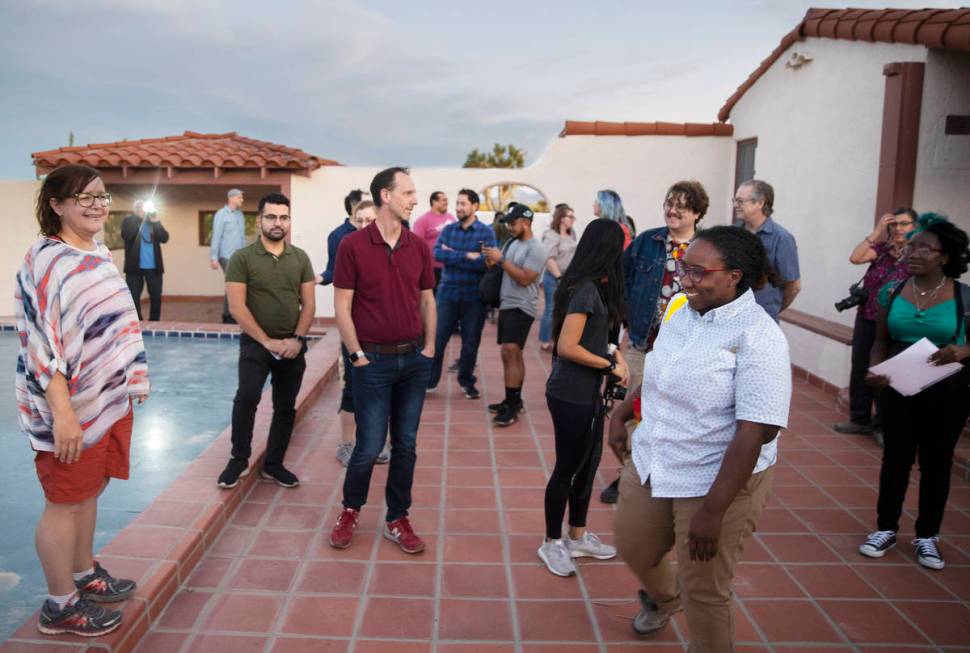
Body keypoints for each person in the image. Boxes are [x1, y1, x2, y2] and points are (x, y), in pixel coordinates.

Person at [610, 226, 791, 652]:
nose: (684, 280)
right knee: (633, 543)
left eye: (698, 272)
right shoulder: (679, 308)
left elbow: (756, 430)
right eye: (682, 268)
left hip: (718, 479)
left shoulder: (759, 337)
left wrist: (713, 511)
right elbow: (662, 370)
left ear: (734, 275)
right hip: (658, 457)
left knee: (705, 590)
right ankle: (666, 598)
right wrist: (622, 412)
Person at [16, 164, 149, 637]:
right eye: (83, 198)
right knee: (64, 501)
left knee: (89, 492)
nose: (96, 205)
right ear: (56, 205)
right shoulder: (46, 262)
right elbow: (40, 348)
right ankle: (59, 605)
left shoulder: (96, 252)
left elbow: (114, 324)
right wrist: (64, 415)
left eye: (101, 196)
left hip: (105, 400)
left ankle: (82, 573)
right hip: (68, 408)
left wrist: (127, 379)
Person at [330, 167, 436, 554]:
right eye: (408, 192)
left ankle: (398, 517)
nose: (414, 199)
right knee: (369, 445)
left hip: (413, 362)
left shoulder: (419, 247)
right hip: (371, 362)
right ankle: (350, 510)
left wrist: (429, 349)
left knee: (406, 444)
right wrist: (356, 354)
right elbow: (341, 304)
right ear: (385, 196)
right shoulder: (353, 246)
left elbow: (427, 299)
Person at [859, 213, 970, 571]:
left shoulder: (964, 297)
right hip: (899, 385)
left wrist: (963, 351)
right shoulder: (892, 291)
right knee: (895, 458)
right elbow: (879, 342)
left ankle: (927, 536)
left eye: (925, 248)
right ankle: (885, 528)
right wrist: (875, 370)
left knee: (937, 462)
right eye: (912, 246)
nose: (914, 253)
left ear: (945, 256)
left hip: (948, 388)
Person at [601, 180, 709, 504]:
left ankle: (670, 474)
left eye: (681, 205)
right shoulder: (647, 241)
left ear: (698, 212)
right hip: (641, 343)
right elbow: (622, 279)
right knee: (635, 409)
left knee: (679, 414)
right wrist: (622, 320)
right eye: (669, 203)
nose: (672, 210)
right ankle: (631, 476)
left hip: (688, 350)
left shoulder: (707, 247)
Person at [538, 219, 628, 577]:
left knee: (587, 467)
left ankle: (576, 537)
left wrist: (613, 355)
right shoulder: (585, 289)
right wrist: (608, 364)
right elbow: (567, 347)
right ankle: (550, 542)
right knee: (567, 469)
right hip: (570, 393)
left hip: (587, 392)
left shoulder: (595, 288)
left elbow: (594, 338)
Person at [216, 192, 316, 490]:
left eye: (283, 217)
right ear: (259, 220)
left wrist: (297, 339)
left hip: (292, 345)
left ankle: (274, 464)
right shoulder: (242, 258)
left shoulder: (299, 258)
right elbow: (237, 307)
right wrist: (266, 341)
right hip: (256, 344)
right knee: (247, 397)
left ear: (289, 221)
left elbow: (308, 304)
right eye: (271, 217)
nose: (277, 223)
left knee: (285, 407)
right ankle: (239, 459)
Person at [833, 208, 916, 435]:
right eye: (895, 224)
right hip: (868, 317)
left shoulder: (918, 255)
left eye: (905, 224)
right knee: (860, 366)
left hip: (897, 324)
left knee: (888, 371)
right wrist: (877, 231)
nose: (899, 228)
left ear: (915, 227)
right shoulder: (881, 250)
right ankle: (860, 419)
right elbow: (856, 257)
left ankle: (883, 425)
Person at [332, 201, 390, 466]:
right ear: (353, 221)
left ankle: (377, 443)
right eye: (360, 220)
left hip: (382, 335)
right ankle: (346, 445)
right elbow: (342, 301)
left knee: (382, 390)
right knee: (353, 390)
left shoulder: (388, 251)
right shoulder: (348, 249)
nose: (365, 225)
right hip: (354, 333)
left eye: (370, 219)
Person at [427, 188, 497, 398]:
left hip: (474, 298)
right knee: (438, 340)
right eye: (457, 203)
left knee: (470, 343)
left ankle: (466, 381)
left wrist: (454, 255)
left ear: (475, 206)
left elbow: (487, 263)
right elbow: (437, 253)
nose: (458, 207)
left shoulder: (486, 233)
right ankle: (430, 382)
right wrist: (468, 255)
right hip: (447, 294)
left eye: (463, 203)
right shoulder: (448, 230)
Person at [482, 203, 547, 426]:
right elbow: (504, 269)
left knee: (510, 351)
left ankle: (511, 407)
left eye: (513, 222)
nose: (509, 226)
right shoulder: (512, 243)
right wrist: (492, 260)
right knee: (512, 354)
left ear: (526, 222)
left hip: (522, 306)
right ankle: (513, 399)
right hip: (508, 304)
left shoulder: (536, 248)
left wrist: (501, 259)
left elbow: (525, 278)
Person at [734, 180, 800, 321]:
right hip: (732, 319)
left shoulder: (782, 239)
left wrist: (773, 310)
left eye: (740, 201)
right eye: (734, 200)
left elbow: (793, 286)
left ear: (760, 203)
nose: (735, 205)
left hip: (762, 321)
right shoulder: (733, 233)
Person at [121, 199, 170, 321]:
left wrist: (156, 221)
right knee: (133, 297)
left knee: (156, 296)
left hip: (154, 267)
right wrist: (140, 219)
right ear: (135, 209)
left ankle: (155, 322)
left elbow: (164, 238)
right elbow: (127, 234)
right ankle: (138, 322)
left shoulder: (153, 222)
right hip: (134, 267)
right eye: (139, 208)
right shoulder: (128, 221)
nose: (142, 210)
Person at [538, 204, 577, 351]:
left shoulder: (571, 234)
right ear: (561, 218)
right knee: (551, 309)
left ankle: (558, 338)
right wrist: (559, 277)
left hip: (569, 278)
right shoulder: (551, 235)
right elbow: (549, 259)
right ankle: (545, 339)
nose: (573, 219)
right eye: (570, 216)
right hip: (554, 278)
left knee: (565, 310)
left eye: (573, 217)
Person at [318, 189, 370, 286]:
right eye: (367, 203)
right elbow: (333, 270)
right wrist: (319, 278)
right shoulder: (337, 236)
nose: (373, 206)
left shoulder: (378, 229)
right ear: (353, 205)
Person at [211, 189, 248, 323]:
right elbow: (216, 236)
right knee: (233, 284)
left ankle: (231, 313)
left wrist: (245, 255)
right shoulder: (221, 214)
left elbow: (242, 237)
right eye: (239, 198)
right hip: (226, 256)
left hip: (238, 256)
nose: (241, 200)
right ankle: (228, 316)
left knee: (237, 284)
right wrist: (214, 257)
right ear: (231, 198)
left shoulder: (240, 215)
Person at [412, 190, 456, 292]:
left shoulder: (451, 218)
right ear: (434, 202)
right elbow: (416, 246)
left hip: (450, 267)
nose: (446, 203)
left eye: (447, 200)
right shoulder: (422, 221)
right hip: (432, 268)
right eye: (443, 200)